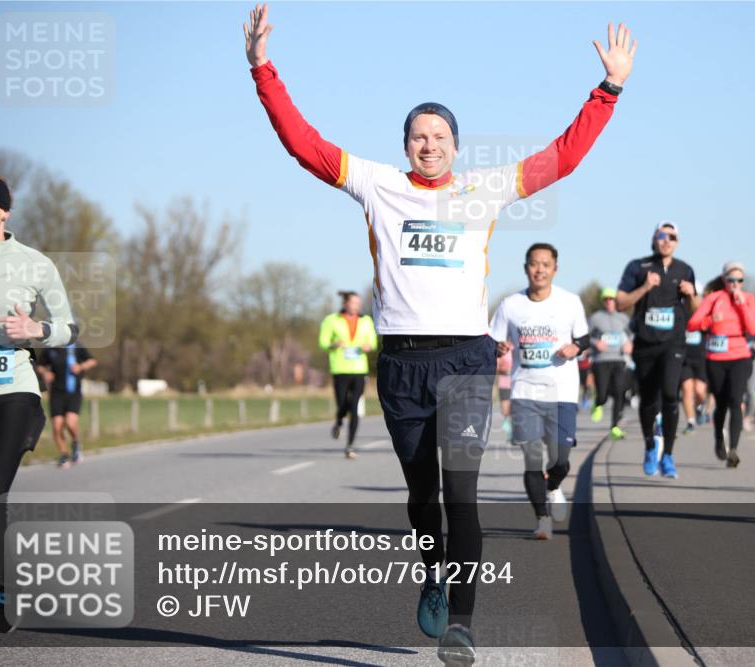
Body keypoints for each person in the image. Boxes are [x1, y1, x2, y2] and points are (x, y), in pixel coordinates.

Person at [244, 5, 636, 661]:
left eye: (440, 135)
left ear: (457, 144)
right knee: (422, 495)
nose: (430, 144)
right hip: (399, 364)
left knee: (461, 491)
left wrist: (609, 89)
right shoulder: (377, 186)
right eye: (419, 135)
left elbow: (561, 158)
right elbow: (300, 141)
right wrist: (262, 67)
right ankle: (431, 567)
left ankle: (462, 623)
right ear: (406, 146)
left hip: (465, 361)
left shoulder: (482, 190)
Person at [0, 173, 78, 662]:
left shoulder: (35, 264)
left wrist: (37, 329)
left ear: (5, 212)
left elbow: (70, 327)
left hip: (14, 395)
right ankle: (6, 587)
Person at [490, 244, 589, 540]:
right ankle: (541, 519)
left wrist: (576, 347)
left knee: (560, 460)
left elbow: (583, 337)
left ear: (555, 269)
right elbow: (493, 340)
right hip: (525, 391)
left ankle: (554, 486)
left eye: (546, 264)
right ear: (526, 268)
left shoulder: (570, 302)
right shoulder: (510, 305)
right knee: (532, 457)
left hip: (562, 391)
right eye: (535, 264)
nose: (540, 269)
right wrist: (499, 347)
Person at [616, 222, 700, 478]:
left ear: (677, 242)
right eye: (661, 236)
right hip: (645, 343)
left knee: (670, 394)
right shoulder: (637, 267)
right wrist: (644, 287)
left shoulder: (685, 270)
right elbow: (620, 302)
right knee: (649, 399)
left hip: (673, 343)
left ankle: (669, 456)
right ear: (654, 239)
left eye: (672, 237)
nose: (666, 240)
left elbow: (697, 313)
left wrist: (691, 294)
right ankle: (651, 446)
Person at [687, 262, 755, 467]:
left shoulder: (749, 299)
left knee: (736, 400)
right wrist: (710, 320)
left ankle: (734, 449)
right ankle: (719, 437)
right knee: (721, 403)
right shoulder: (713, 298)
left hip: (739, 355)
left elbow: (753, 329)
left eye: (739, 280)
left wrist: (742, 304)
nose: (735, 284)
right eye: (731, 280)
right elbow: (692, 323)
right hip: (716, 358)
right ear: (724, 279)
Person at [319, 291, 377, 459]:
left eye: (358, 303)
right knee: (342, 404)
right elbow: (323, 342)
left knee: (354, 407)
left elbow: (372, 341)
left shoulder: (366, 321)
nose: (356, 306)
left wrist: (368, 346)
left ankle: (350, 445)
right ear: (345, 303)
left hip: (359, 369)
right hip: (340, 368)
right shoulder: (331, 320)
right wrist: (333, 344)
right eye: (353, 303)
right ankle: (338, 422)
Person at [37, 344, 97, 468]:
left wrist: (81, 366)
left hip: (73, 392)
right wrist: (45, 373)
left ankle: (76, 443)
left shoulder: (76, 347)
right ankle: (64, 454)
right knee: (57, 426)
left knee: (70, 422)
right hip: (56, 393)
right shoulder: (50, 349)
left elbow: (92, 361)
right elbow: (39, 365)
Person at [588, 288, 632, 439]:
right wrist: (595, 342)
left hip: (619, 360)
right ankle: (598, 403)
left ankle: (615, 427)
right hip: (601, 360)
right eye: (606, 299)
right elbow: (584, 336)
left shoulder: (623, 318)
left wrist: (630, 344)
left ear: (615, 300)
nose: (609, 301)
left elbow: (631, 334)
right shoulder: (595, 318)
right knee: (603, 395)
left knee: (620, 392)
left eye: (611, 299)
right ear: (603, 301)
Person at [680, 325, 708, 433]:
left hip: (701, 359)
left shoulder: (704, 316)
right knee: (687, 390)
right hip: (685, 360)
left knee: (699, 391)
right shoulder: (683, 313)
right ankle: (690, 422)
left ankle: (700, 407)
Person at [495, 347, 512, 441]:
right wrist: (503, 369)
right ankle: (510, 428)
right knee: (505, 410)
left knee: (516, 408)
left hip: (517, 382)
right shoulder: (503, 349)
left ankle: (515, 431)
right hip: (504, 381)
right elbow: (496, 366)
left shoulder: (519, 347)